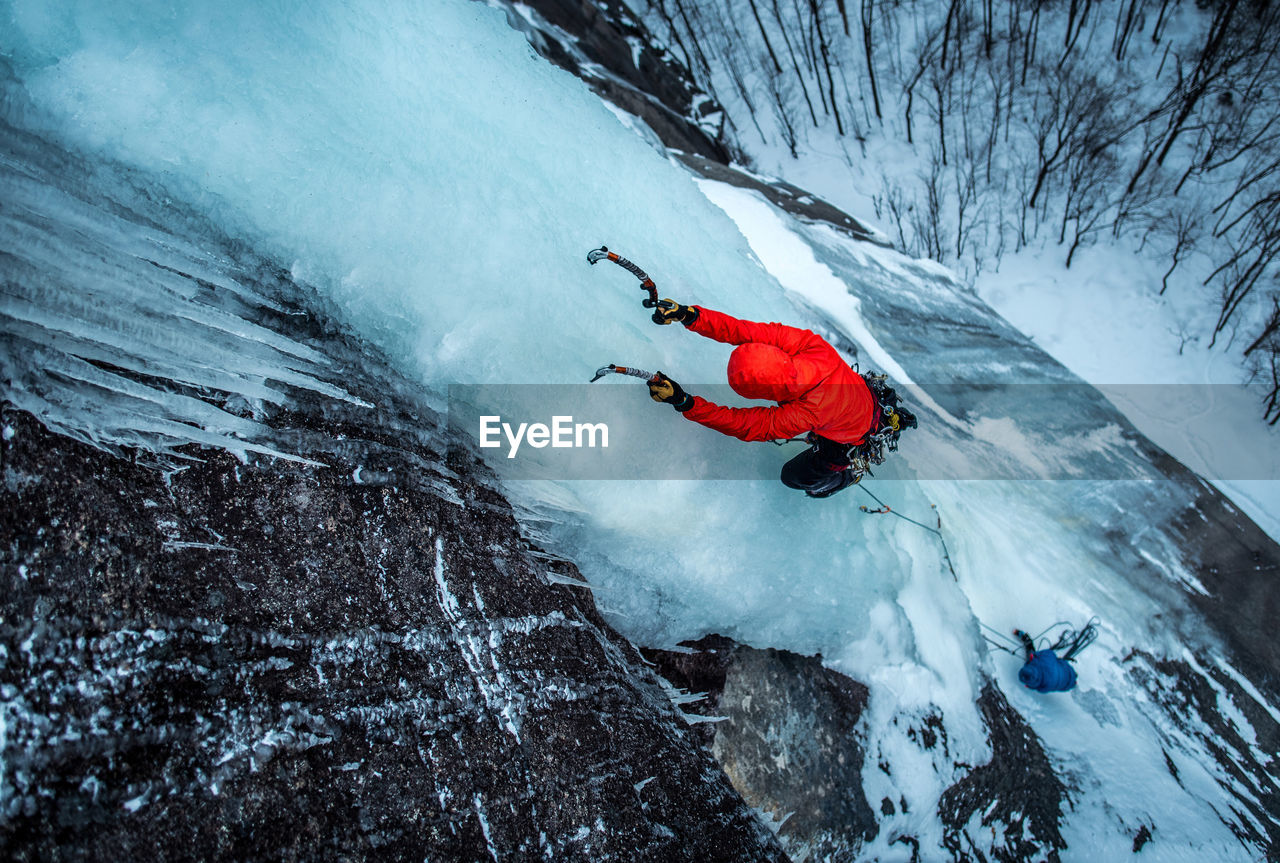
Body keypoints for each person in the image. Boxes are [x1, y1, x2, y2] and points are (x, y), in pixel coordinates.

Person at [643, 299, 915, 498]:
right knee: (840, 421)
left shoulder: (808, 412)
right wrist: (690, 316)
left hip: (851, 438)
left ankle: (843, 477)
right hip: (866, 395)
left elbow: (745, 424)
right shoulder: (810, 345)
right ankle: (891, 419)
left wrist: (685, 403)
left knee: (794, 478)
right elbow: (742, 330)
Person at [1014, 629, 1078, 693]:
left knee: (1057, 669)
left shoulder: (1041, 686)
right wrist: (1036, 656)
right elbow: (1050, 653)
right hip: (1068, 678)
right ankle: (1025, 638)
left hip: (1067, 681)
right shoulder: (1044, 661)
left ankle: (1027, 640)